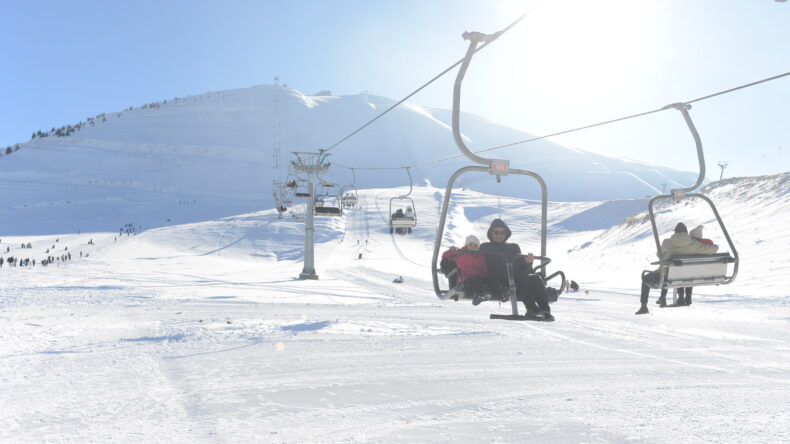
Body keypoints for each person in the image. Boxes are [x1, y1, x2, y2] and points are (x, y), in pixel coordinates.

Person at [636, 223, 719, 314]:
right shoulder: (693, 243)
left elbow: (659, 255)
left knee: (645, 279)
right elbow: (713, 249)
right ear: (686, 233)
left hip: (666, 277)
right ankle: (682, 297)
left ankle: (644, 306)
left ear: (675, 232)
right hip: (687, 276)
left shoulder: (666, 242)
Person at [479, 219, 554, 321]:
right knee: (519, 275)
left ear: (506, 234)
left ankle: (545, 311)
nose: (499, 235)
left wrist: (528, 262)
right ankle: (531, 307)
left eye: (502, 232)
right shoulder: (485, 247)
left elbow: (523, 267)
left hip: (517, 281)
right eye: (496, 232)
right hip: (497, 281)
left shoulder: (513, 247)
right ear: (491, 233)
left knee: (535, 278)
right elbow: (472, 257)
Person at [441, 235, 497, 305]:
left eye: (475, 245)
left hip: (479, 277)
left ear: (478, 247)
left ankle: (485, 294)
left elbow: (484, 268)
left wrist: (486, 276)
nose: (473, 247)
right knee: (473, 283)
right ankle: (479, 295)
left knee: (484, 281)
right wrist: (451, 250)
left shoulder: (481, 256)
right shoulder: (462, 254)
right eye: (470, 245)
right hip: (466, 278)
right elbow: (447, 255)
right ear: (467, 245)